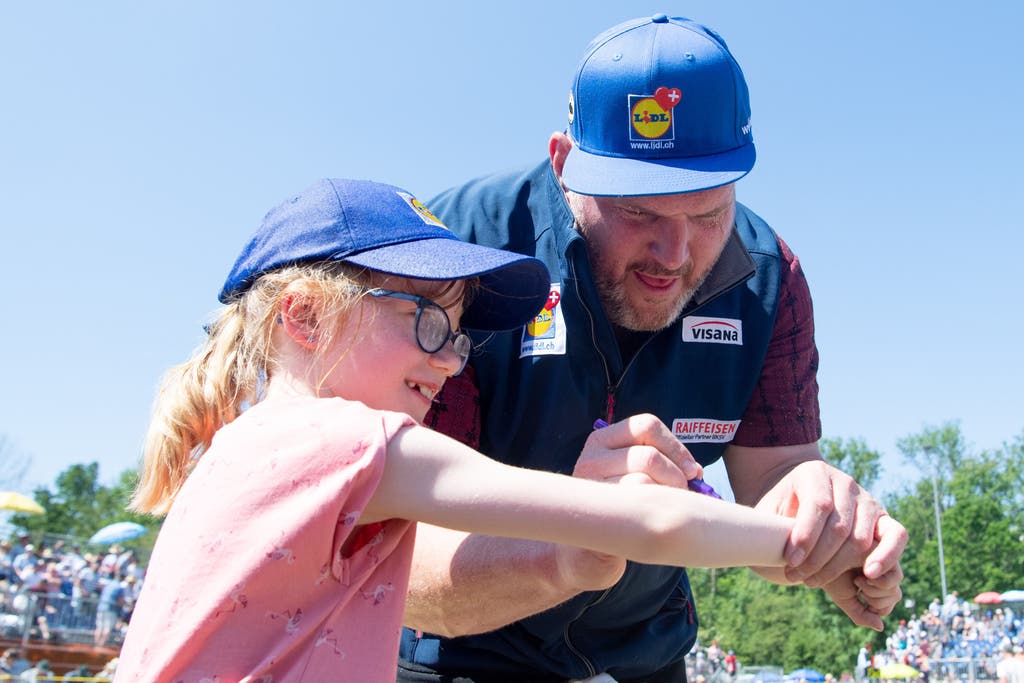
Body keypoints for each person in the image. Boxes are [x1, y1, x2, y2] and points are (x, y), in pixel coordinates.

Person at [398, 13, 908, 683]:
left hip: (648, 652)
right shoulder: (454, 252)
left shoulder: (768, 278)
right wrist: (574, 541)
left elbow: (774, 482)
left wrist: (822, 521)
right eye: (638, 211)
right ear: (564, 164)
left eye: (706, 215)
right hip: (463, 651)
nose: (674, 255)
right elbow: (393, 558)